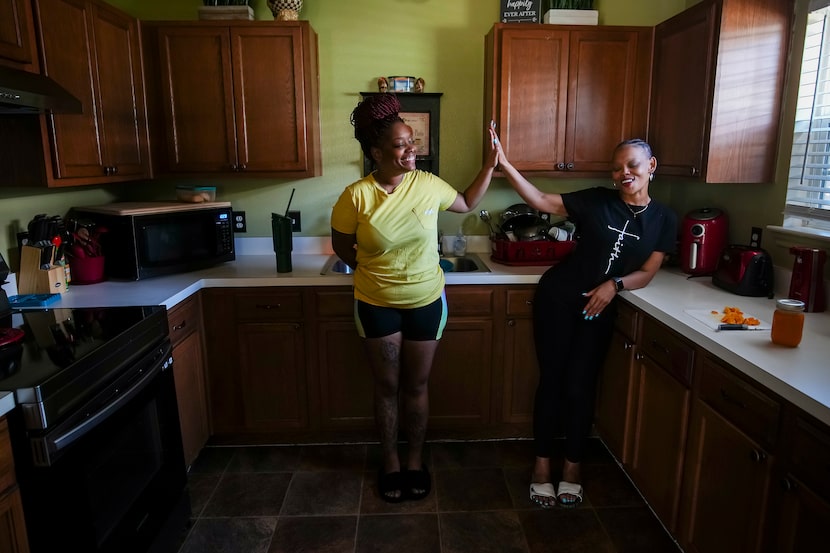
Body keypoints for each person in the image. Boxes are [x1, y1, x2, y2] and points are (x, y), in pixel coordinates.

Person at [491, 131, 677, 508]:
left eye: (632, 165)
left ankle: (572, 468)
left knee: (581, 386)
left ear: (651, 167)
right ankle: (542, 466)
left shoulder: (664, 219)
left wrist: (615, 285)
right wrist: (505, 164)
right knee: (553, 381)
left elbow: (648, 271)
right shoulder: (596, 201)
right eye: (617, 168)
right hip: (558, 299)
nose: (623, 173)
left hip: (599, 306)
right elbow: (541, 199)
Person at [331, 94, 499, 502]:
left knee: (417, 385)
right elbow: (341, 247)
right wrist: (376, 268)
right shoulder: (356, 195)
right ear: (376, 151)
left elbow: (465, 203)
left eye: (413, 143)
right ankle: (389, 461)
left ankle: (414, 460)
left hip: (426, 301)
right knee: (387, 385)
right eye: (402, 144)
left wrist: (491, 165)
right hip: (375, 301)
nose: (412, 151)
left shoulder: (428, 185)